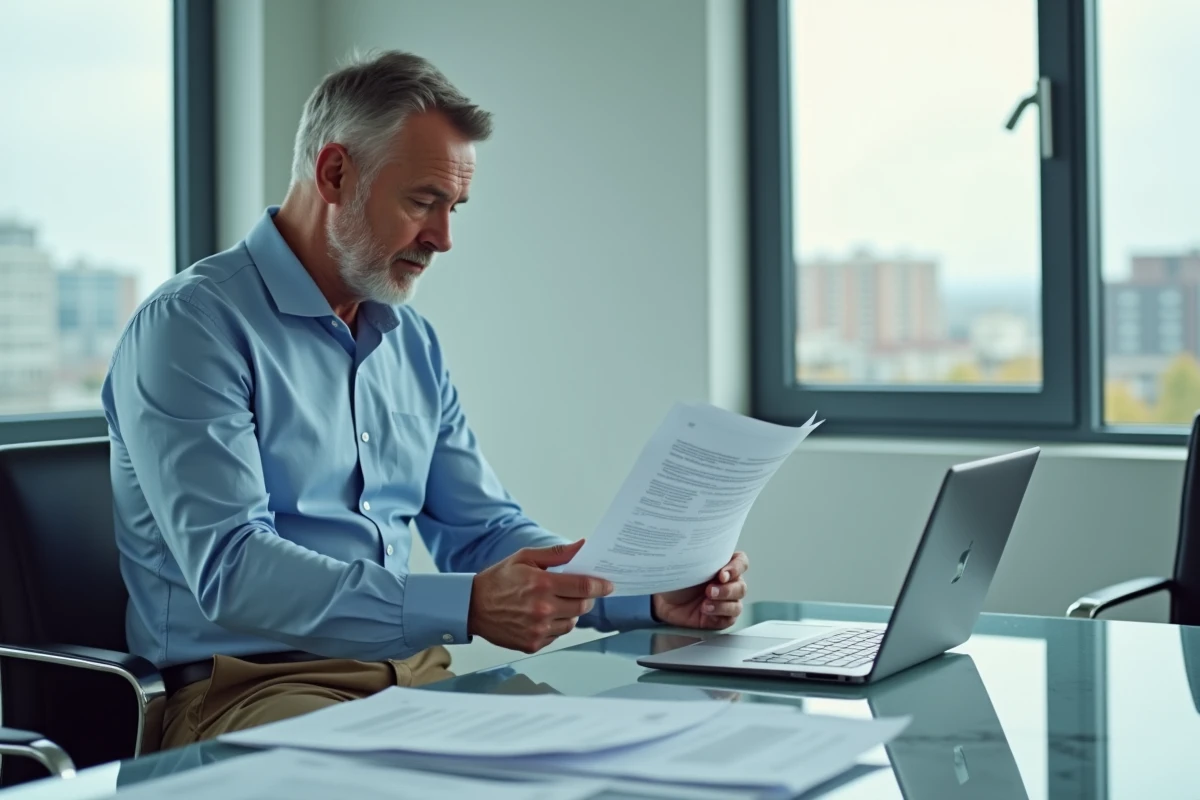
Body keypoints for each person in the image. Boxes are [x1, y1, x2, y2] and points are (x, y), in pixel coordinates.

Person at [102, 50, 749, 750]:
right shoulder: (191, 326)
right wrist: (467, 605)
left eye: (453, 208)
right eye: (422, 202)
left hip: (415, 676)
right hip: (252, 689)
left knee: (614, 753)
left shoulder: (409, 342)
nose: (442, 238)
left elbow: (481, 532)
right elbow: (234, 569)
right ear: (334, 173)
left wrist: (643, 592)